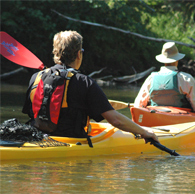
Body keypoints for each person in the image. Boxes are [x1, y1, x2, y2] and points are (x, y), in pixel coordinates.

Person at [22, 30, 159, 143]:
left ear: (55, 53)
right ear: (78, 54)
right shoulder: (85, 82)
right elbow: (116, 120)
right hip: (71, 143)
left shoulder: (37, 78)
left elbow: (32, 112)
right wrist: (144, 131)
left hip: (37, 140)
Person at [134, 42, 195, 114]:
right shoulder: (186, 79)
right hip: (181, 118)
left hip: (155, 117)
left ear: (163, 60)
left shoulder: (151, 78)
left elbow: (137, 106)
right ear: (177, 60)